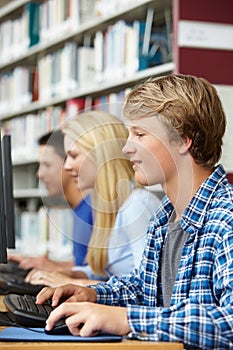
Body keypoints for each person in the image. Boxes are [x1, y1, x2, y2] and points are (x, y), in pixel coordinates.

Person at [36, 75, 233, 349]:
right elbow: (146, 289)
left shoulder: (226, 218)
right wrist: (93, 294)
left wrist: (128, 319)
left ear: (183, 140)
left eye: (140, 134)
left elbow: (230, 323)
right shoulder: (164, 217)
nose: (127, 147)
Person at [27, 110, 160, 287]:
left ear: (101, 153)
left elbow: (148, 288)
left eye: (73, 156)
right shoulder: (106, 205)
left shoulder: (137, 205)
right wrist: (70, 274)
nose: (66, 167)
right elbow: (107, 271)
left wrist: (73, 283)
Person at [8, 130, 93, 272]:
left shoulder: (93, 210)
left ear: (69, 163)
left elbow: (104, 277)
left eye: (47, 165)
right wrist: (46, 264)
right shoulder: (79, 209)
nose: (39, 174)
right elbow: (86, 268)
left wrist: (53, 268)